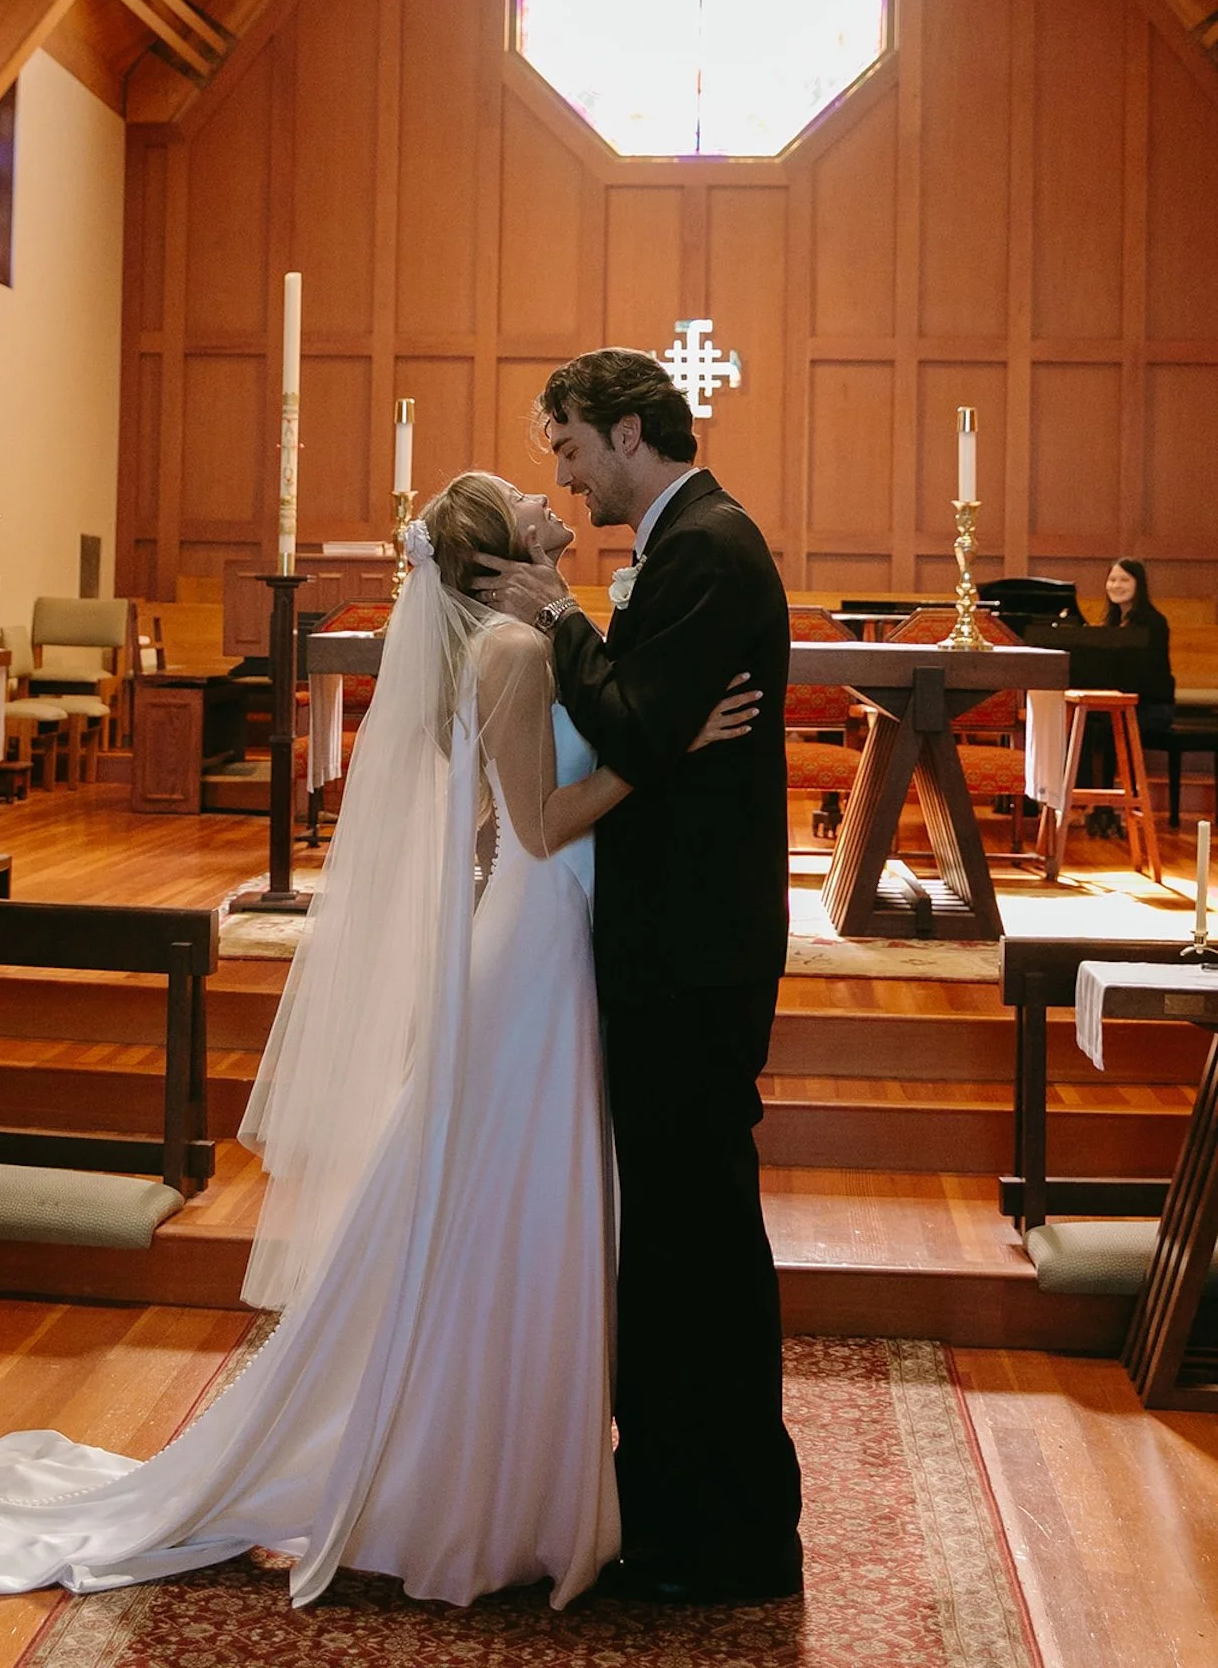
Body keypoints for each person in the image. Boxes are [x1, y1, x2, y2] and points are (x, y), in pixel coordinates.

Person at [0, 471, 750, 1611]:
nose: (547, 500)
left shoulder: (528, 645)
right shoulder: (515, 654)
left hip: (537, 935)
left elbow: (483, 819)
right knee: (505, 1193)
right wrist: (664, 748)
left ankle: (488, 1465)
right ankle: (465, 1484)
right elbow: (538, 820)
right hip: (537, 946)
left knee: (507, 1195)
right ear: (495, 558)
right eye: (527, 506)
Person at [475, 348, 803, 1605]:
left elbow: (624, 721)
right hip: (678, 947)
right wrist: (639, 706)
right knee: (676, 1240)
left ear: (625, 432)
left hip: (690, 958)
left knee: (692, 1245)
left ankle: (718, 1535)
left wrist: (557, 616)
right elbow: (645, 727)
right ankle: (686, 1508)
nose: (560, 475)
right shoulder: (683, 546)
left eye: (567, 448)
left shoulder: (707, 548)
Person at [1083, 558, 1175, 835]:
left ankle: (1115, 809)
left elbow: (1148, 676)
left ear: (1138, 584)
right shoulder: (1111, 622)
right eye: (1112, 580)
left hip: (1153, 706)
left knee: (1111, 729)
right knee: (1090, 727)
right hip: (1123, 705)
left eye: (1124, 580)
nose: (1116, 586)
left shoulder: (1153, 622)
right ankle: (1098, 807)